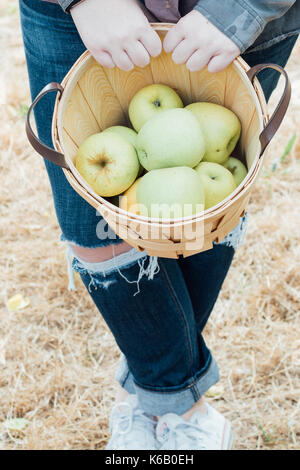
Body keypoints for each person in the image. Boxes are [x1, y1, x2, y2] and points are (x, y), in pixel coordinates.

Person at [20, 0, 299, 450]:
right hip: (73, 13)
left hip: (225, 16)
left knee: (201, 220)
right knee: (90, 226)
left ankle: (152, 398)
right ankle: (178, 403)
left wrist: (243, 7)